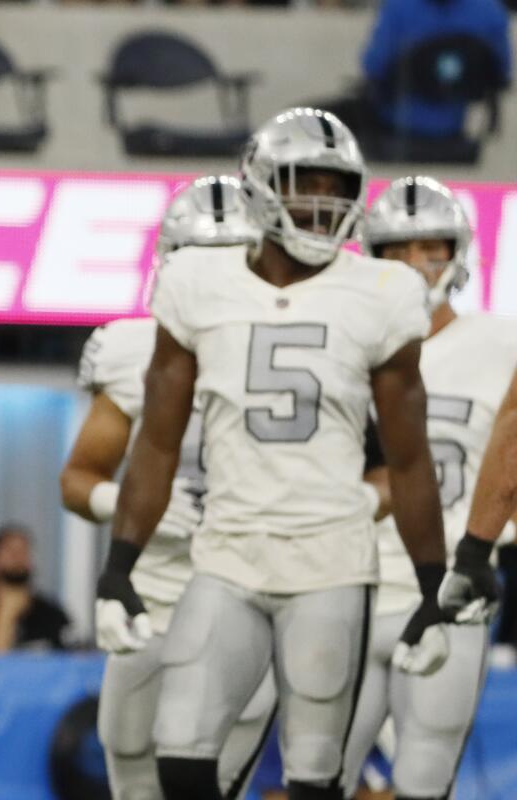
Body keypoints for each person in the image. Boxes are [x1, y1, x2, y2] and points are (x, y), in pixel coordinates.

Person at [95, 108, 451, 800]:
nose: (322, 202)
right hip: (226, 552)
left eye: (337, 186)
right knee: (180, 753)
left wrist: (434, 586)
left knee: (314, 774)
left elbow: (409, 460)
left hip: (331, 560)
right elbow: (159, 442)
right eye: (303, 182)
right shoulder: (199, 281)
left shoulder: (381, 293)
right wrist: (118, 566)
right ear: (260, 185)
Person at [61, 175, 275, 800]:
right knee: (128, 759)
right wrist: (125, 502)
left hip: (252, 587)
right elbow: (77, 480)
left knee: (214, 776)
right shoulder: (131, 348)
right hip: (152, 591)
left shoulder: (298, 347)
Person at [340, 177, 517, 799]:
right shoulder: (345, 345)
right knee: (316, 776)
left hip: (449, 591)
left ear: (458, 252)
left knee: (423, 779)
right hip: (346, 585)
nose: (416, 264)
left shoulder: (502, 344)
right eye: (399, 248)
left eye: (430, 247)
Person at [360, 0, 512, 139]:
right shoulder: (489, 10)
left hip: (397, 129)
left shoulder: (398, 7)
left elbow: (373, 67)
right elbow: (501, 74)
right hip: (453, 129)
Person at [0, 524, 72, 652]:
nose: (17, 558)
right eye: (10, 551)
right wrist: (6, 613)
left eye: (24, 551)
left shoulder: (51, 613)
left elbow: (82, 660)